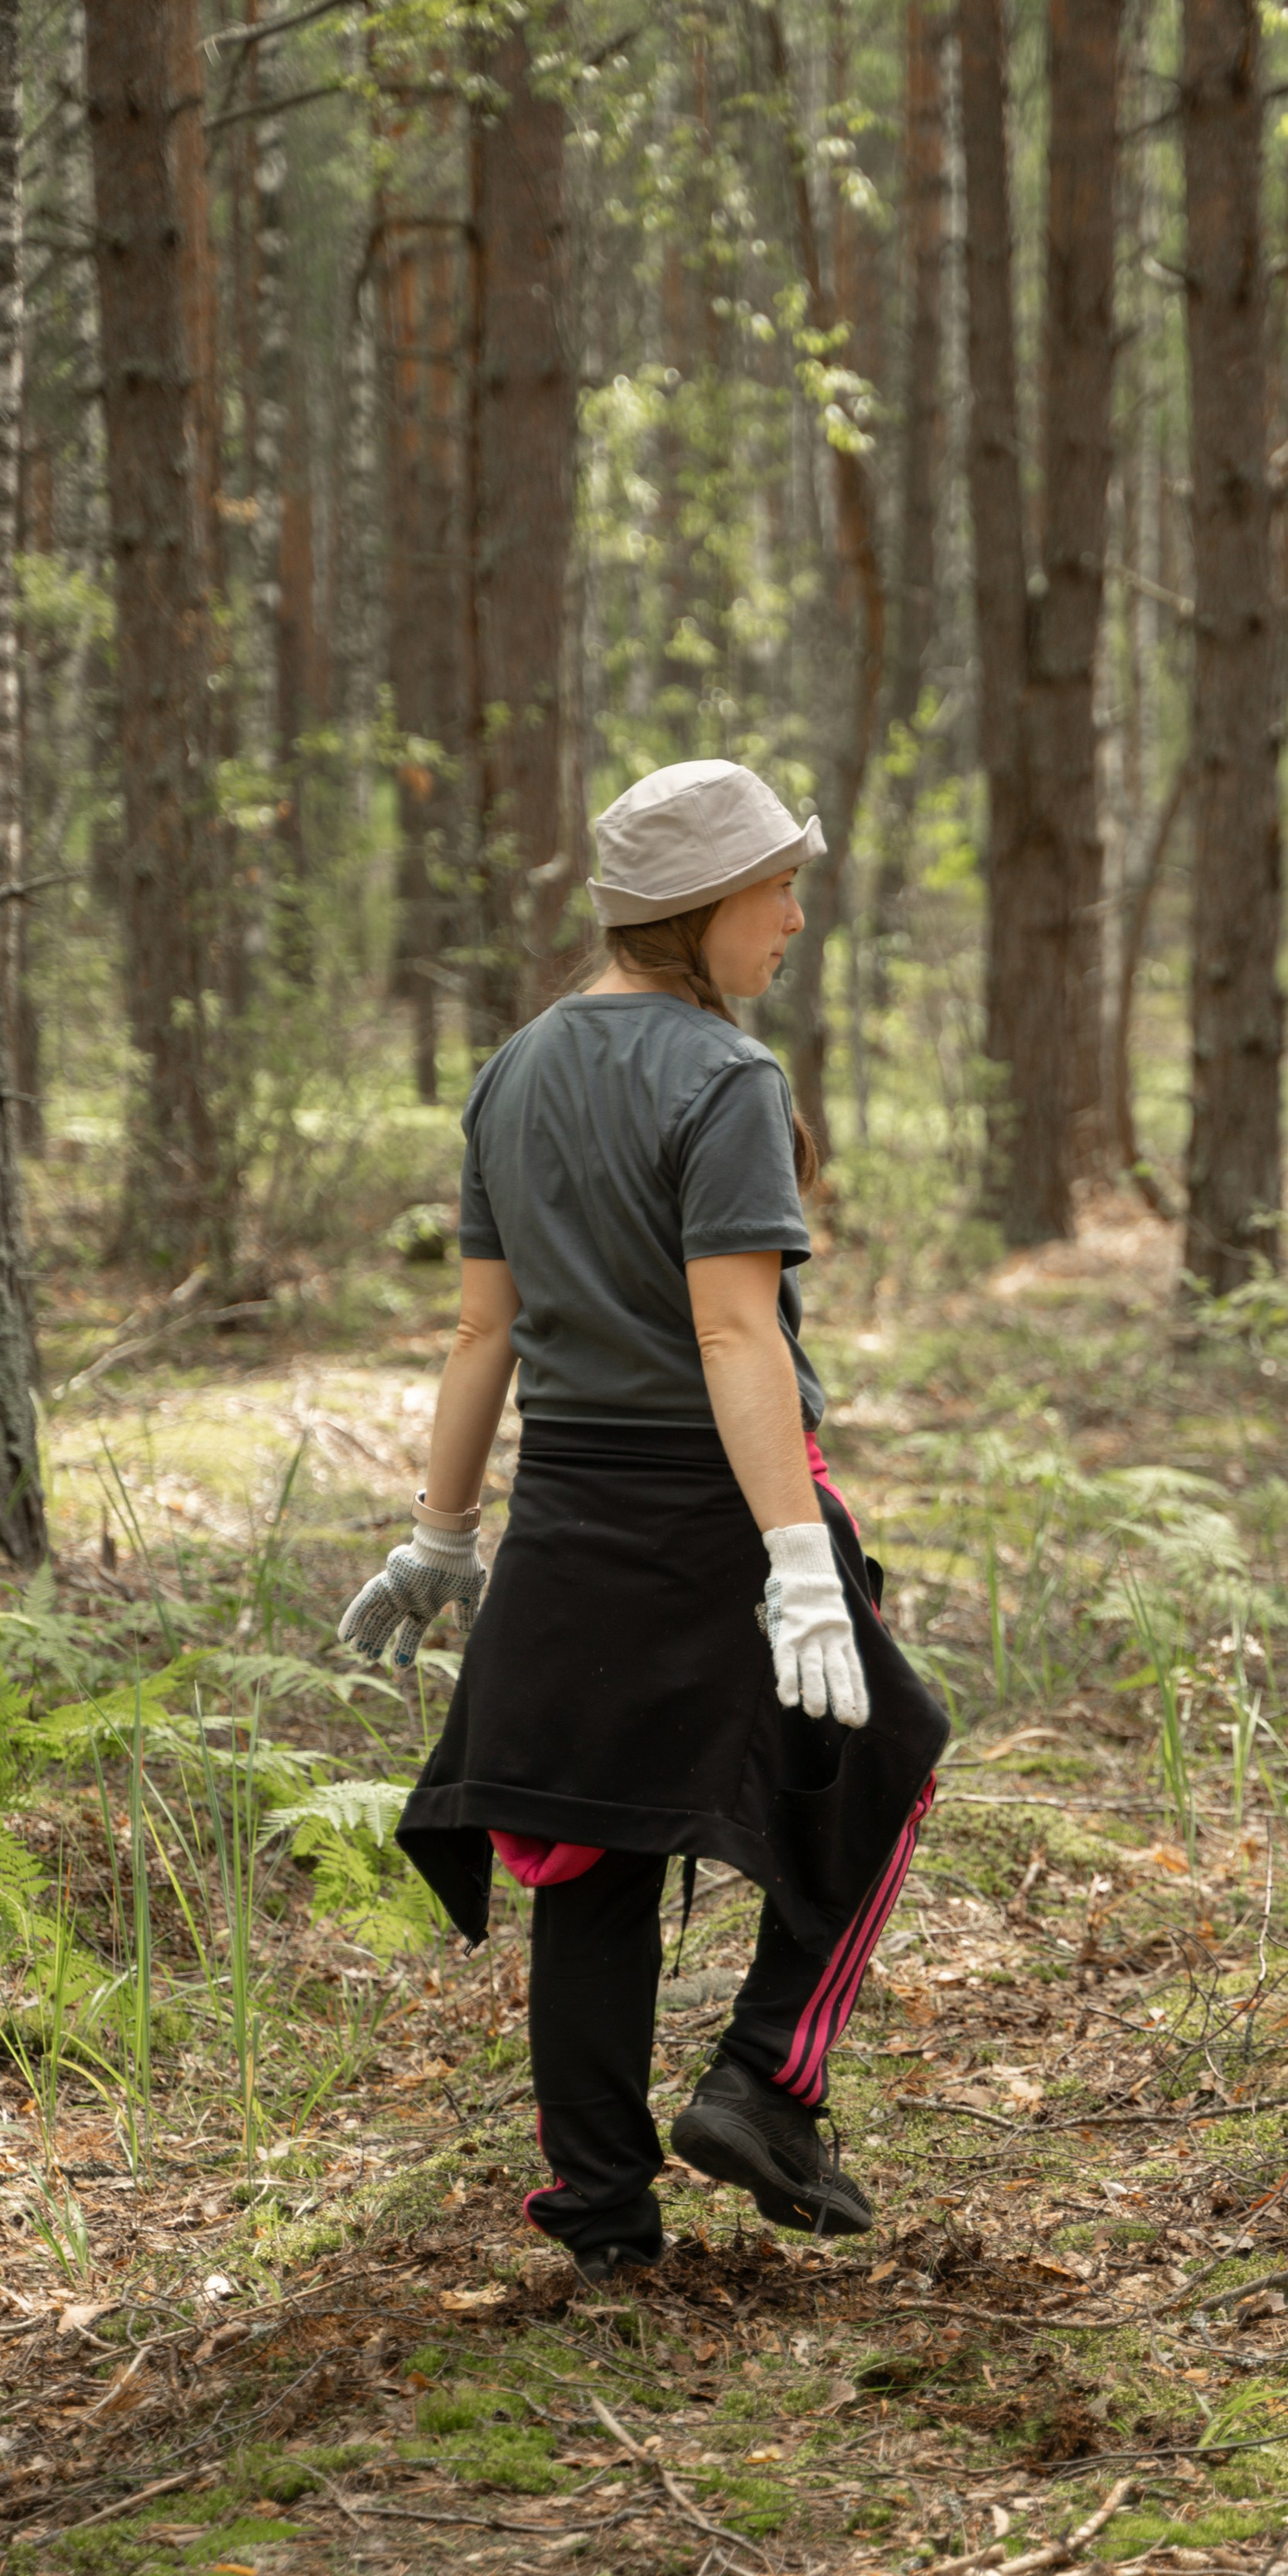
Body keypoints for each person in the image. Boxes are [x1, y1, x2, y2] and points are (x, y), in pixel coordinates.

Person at [337, 758, 948, 2289]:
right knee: (894, 1751)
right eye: (779, 891)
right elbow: (737, 1340)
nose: (796, 920)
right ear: (700, 909)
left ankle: (603, 2216)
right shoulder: (728, 1079)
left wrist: (448, 1532)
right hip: (719, 1503)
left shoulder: (516, 1067)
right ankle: (766, 2083)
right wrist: (798, 1564)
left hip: (568, 1509)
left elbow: (483, 1335)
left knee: (588, 1850)